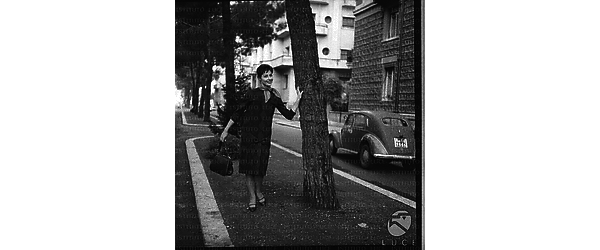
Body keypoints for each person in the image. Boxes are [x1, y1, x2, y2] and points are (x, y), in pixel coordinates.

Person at [220, 64, 303, 212]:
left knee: (260, 168)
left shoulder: (275, 96)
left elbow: (289, 115)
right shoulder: (251, 94)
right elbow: (238, 113)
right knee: (249, 169)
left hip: (264, 138)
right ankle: (252, 196)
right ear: (259, 78)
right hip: (249, 137)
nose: (269, 78)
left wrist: (297, 100)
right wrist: (225, 130)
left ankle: (259, 191)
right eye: (266, 76)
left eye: (270, 75)